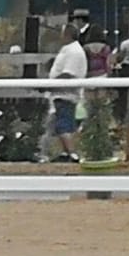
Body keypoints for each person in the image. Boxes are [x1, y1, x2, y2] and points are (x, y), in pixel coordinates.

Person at [47, 23, 87, 163]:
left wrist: (50, 84)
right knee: (61, 123)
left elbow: (69, 73)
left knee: (64, 124)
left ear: (67, 35)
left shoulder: (74, 51)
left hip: (66, 93)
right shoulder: (68, 50)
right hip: (60, 93)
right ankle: (65, 152)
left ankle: (72, 153)